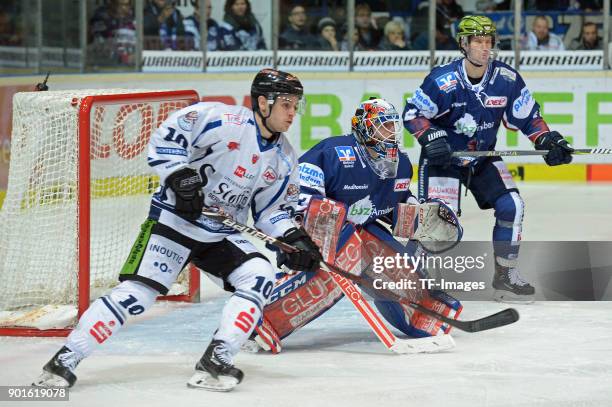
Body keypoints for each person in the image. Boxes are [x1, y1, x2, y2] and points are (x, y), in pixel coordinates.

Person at [32, 69, 321, 392]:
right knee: (138, 296)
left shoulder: (283, 158)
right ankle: (63, 361)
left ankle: (217, 359)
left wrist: (293, 238)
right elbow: (167, 136)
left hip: (218, 233)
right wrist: (178, 176)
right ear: (263, 103)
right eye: (286, 104)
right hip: (174, 222)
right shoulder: (223, 120)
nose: (293, 113)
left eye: (297, 105)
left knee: (259, 274)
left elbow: (271, 211)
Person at [246, 98, 462, 352]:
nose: (390, 133)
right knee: (347, 248)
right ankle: (263, 316)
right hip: (303, 235)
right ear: (364, 129)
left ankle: (422, 314)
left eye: (393, 127)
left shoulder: (401, 165)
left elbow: (398, 211)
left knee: (394, 266)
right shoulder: (333, 153)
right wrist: (319, 229)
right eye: (383, 127)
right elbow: (296, 199)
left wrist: (420, 219)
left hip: (357, 233)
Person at [403, 15, 574, 302]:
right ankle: (414, 279)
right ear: (464, 44)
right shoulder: (441, 81)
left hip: (482, 158)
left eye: (489, 42)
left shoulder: (506, 79)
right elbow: (412, 115)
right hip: (444, 161)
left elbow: (530, 118)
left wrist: (547, 140)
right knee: (436, 223)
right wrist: (430, 137)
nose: (485, 48)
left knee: (513, 206)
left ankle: (505, 275)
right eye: (478, 42)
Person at [89, 0, 136, 65]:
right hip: (106, 62)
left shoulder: (133, 18)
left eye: (128, 5)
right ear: (112, 3)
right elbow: (97, 39)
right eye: (121, 4)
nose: (125, 7)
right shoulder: (101, 16)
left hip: (130, 60)